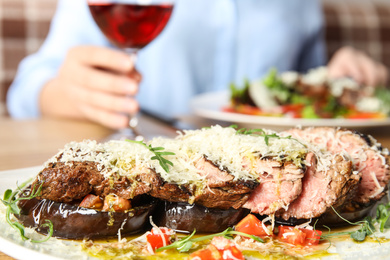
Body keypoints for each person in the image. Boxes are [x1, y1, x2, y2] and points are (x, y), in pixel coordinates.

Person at [7, 0, 388, 130]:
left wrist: (336, 80)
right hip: (156, 153)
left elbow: (297, 88)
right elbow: (25, 92)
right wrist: (69, 92)